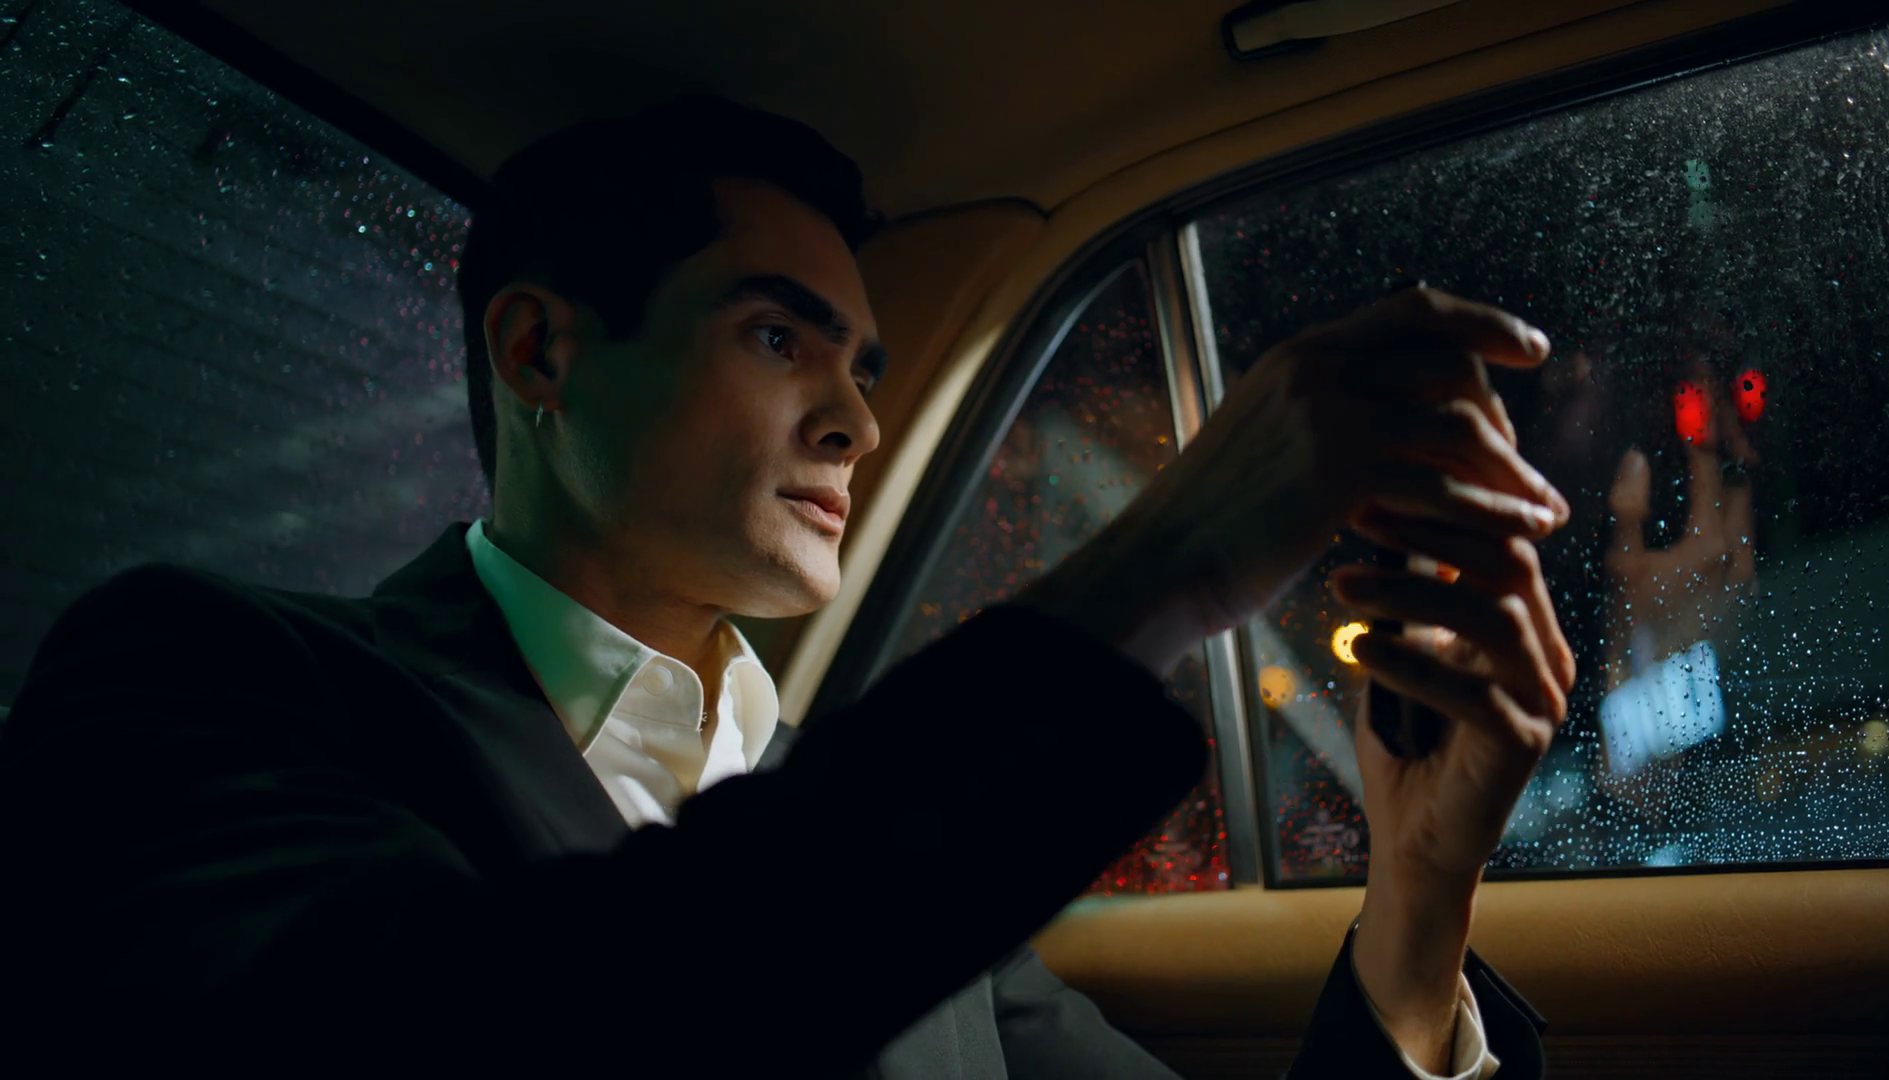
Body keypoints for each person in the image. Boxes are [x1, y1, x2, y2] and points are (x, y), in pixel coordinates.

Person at [0, 96, 1574, 1077]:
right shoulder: (206, 679)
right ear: (540, 352)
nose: (856, 424)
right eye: (777, 337)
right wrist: (1167, 562)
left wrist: (1419, 885)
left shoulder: (856, 816)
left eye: (864, 368)